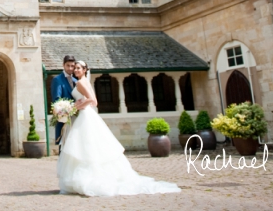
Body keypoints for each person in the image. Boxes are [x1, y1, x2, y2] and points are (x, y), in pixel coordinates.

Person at [57, 60, 181, 197]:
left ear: (85, 69)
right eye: (75, 68)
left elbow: (92, 100)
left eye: (79, 68)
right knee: (89, 145)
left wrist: (75, 107)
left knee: (84, 146)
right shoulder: (84, 81)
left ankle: (88, 178)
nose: (76, 70)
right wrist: (80, 104)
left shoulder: (80, 82)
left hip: (85, 115)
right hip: (86, 115)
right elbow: (93, 100)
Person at [50, 55, 78, 151]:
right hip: (64, 118)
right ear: (63, 65)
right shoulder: (57, 80)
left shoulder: (76, 81)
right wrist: (68, 109)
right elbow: (56, 100)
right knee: (65, 147)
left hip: (77, 119)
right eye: (68, 65)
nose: (70, 68)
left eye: (72, 66)